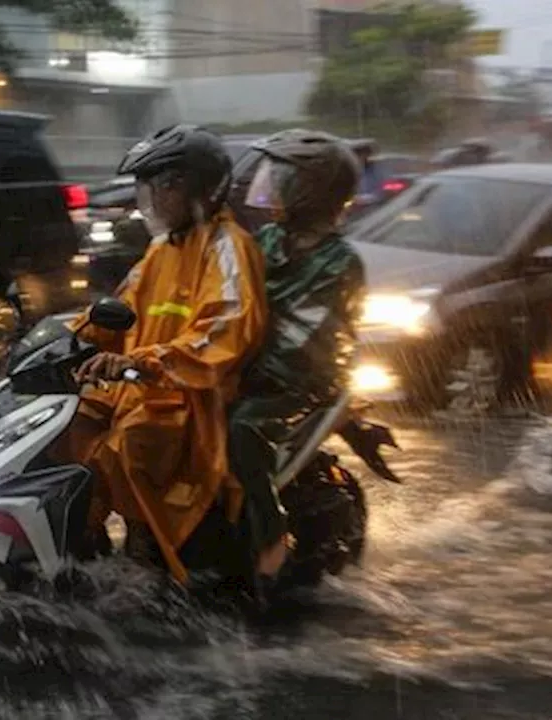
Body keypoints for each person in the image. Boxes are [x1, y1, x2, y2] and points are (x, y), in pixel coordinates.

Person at [66, 124, 268, 584]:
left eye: (160, 188)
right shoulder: (163, 248)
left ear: (196, 189)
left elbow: (226, 329)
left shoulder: (228, 247)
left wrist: (141, 361)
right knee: (67, 426)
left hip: (191, 398)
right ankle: (81, 544)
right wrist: (66, 343)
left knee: (126, 447)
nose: (151, 201)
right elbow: (120, 306)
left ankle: (151, 556)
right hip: (140, 387)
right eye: (148, 189)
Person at [226, 129, 367, 585]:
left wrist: (242, 372)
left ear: (314, 191)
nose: (271, 187)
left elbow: (305, 336)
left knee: (243, 428)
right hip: (250, 366)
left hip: (302, 379)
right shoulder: (266, 239)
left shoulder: (339, 261)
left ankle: (271, 536)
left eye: (283, 178)